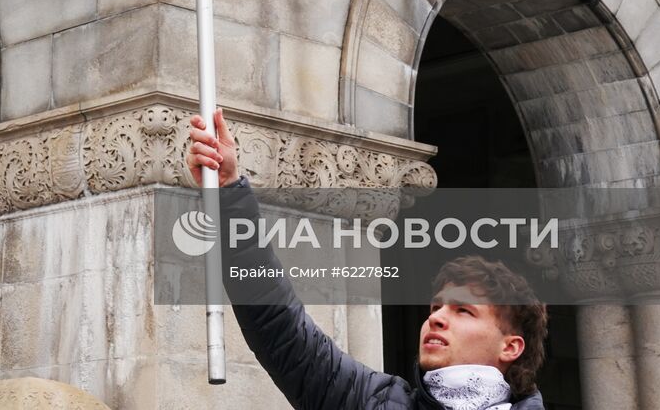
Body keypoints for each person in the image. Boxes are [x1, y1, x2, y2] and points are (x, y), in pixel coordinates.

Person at [187, 108, 548, 410]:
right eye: (436, 307)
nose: (436, 318)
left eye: (463, 311)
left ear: (511, 346)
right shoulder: (371, 401)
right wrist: (229, 195)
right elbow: (278, 324)